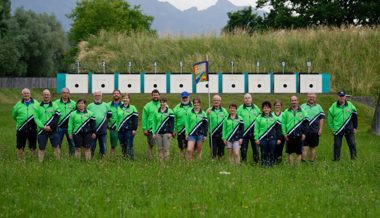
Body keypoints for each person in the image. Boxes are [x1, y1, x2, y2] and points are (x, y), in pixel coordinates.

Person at [328, 91, 358, 161]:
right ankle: (336, 159)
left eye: (343, 96)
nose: (341, 98)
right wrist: (332, 129)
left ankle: (354, 158)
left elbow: (355, 117)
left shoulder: (350, 105)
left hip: (349, 128)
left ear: (345, 97)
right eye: (340, 96)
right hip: (337, 129)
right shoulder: (333, 106)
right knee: (337, 145)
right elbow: (330, 119)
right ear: (337, 97)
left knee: (352, 144)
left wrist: (355, 127)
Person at [34, 89, 61, 162]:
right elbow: (36, 118)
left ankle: (58, 162)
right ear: (42, 95)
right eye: (45, 94)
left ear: (50, 96)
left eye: (48, 94)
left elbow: (57, 117)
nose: (46, 96)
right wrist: (43, 127)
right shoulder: (37, 106)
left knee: (56, 146)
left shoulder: (55, 105)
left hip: (53, 130)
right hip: (41, 130)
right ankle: (40, 162)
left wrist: (50, 126)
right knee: (41, 148)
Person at [12, 88, 39, 158]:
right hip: (21, 128)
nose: (26, 94)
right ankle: (20, 159)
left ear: (30, 94)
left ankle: (33, 158)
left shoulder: (36, 103)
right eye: (25, 93)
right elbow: (14, 115)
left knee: (33, 145)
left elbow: (40, 114)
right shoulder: (18, 104)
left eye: (27, 93)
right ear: (22, 94)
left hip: (33, 128)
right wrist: (21, 121)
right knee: (20, 145)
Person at [282, 96, 308, 165]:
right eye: (292, 100)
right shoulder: (286, 111)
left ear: (297, 101)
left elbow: (306, 124)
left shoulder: (303, 111)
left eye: (295, 100)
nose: (294, 102)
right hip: (289, 134)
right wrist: (284, 134)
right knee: (290, 152)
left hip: (299, 134)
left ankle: (297, 167)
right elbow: (283, 124)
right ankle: (291, 167)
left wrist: (304, 134)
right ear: (290, 101)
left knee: (298, 152)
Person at [255, 101, 282, 167]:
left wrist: (279, 138)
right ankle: (264, 165)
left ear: (270, 109)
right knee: (264, 152)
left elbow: (278, 129)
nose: (266, 109)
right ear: (262, 109)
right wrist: (256, 138)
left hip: (272, 138)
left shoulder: (275, 118)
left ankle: (272, 164)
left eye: (267, 108)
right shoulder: (259, 118)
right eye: (264, 108)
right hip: (262, 138)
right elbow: (256, 129)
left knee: (272, 151)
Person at [237, 93, 261, 164]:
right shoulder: (240, 109)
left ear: (251, 99)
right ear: (243, 99)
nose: (247, 99)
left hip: (254, 133)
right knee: (243, 150)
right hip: (244, 133)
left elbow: (259, 119)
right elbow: (236, 120)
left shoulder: (256, 108)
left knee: (256, 149)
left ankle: (256, 163)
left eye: (249, 98)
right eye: (246, 98)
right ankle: (243, 163)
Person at [87, 90, 112, 158]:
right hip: (92, 131)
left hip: (102, 130)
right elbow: (86, 117)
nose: (97, 97)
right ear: (93, 96)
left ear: (101, 96)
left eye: (99, 95)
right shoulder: (89, 106)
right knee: (92, 146)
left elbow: (109, 116)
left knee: (103, 146)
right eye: (96, 95)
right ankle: (90, 159)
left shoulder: (106, 105)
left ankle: (102, 159)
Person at [301, 93, 325, 162]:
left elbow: (322, 118)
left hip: (314, 131)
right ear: (307, 97)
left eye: (313, 97)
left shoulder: (319, 107)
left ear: (315, 98)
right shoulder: (302, 106)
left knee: (312, 148)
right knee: (304, 147)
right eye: (310, 97)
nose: (311, 98)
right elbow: (298, 117)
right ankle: (303, 162)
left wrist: (320, 129)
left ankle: (311, 162)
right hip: (304, 131)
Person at [54, 87, 76, 156]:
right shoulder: (55, 103)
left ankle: (72, 157)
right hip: (59, 127)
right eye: (64, 93)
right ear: (61, 93)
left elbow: (76, 114)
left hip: (70, 128)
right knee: (57, 143)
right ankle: (57, 158)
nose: (65, 94)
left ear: (69, 94)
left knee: (72, 143)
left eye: (67, 93)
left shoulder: (73, 103)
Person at [117, 93, 138, 159]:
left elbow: (135, 119)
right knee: (122, 144)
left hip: (129, 130)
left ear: (129, 99)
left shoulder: (133, 108)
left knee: (129, 144)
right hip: (120, 129)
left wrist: (134, 129)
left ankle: (131, 159)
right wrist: (117, 128)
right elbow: (117, 118)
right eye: (124, 98)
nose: (125, 99)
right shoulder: (119, 107)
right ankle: (124, 157)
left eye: (126, 98)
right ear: (122, 99)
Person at [207, 95, 228, 159]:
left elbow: (227, 121)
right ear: (213, 101)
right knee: (213, 150)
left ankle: (220, 163)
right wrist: (208, 114)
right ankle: (213, 163)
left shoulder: (224, 111)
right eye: (215, 100)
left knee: (221, 151)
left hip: (222, 134)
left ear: (220, 101)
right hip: (213, 133)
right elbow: (206, 121)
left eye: (218, 100)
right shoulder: (209, 110)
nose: (216, 101)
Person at [142, 89, 160, 159]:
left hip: (160, 127)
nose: (155, 96)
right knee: (151, 143)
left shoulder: (163, 104)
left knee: (161, 144)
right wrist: (144, 128)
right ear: (152, 96)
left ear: (159, 95)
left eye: (157, 95)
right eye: (154, 95)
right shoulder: (148, 105)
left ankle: (159, 157)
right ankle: (150, 157)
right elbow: (144, 118)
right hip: (150, 128)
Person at [173, 91, 193, 156]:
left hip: (190, 130)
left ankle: (188, 159)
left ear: (188, 97)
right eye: (183, 98)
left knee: (189, 146)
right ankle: (182, 159)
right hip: (180, 130)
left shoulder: (193, 106)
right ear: (181, 98)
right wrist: (174, 130)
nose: (185, 99)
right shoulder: (177, 108)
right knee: (181, 146)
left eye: (186, 97)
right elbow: (174, 120)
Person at [108, 89, 122, 156]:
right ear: (112, 95)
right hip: (113, 127)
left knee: (124, 143)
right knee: (113, 145)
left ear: (120, 95)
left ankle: (125, 157)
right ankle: (112, 157)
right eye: (115, 93)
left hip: (122, 127)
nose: (116, 94)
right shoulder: (108, 105)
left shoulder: (123, 104)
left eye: (117, 93)